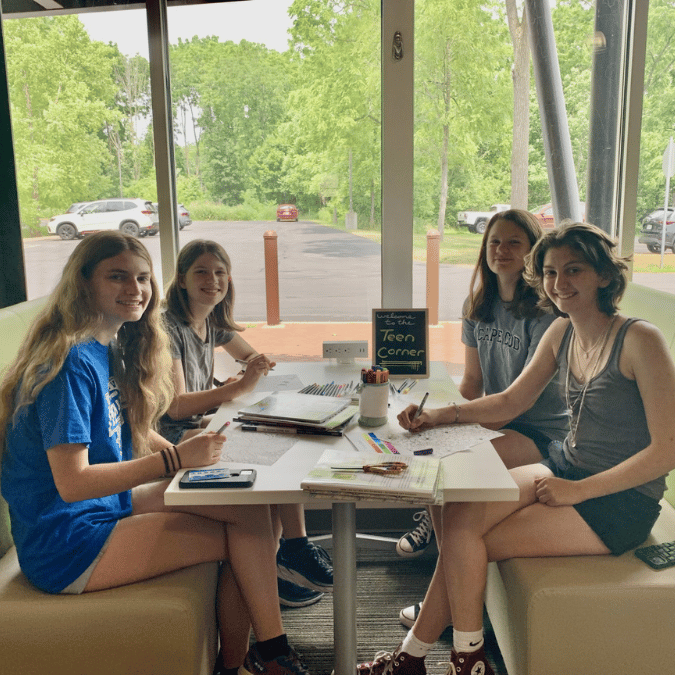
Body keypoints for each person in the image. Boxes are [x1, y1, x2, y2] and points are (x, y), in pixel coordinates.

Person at [361, 222, 675, 675]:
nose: (559, 284)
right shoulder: (561, 332)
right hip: (563, 468)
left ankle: (441, 659)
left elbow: (666, 452)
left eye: (574, 271)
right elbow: (511, 400)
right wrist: (440, 415)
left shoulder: (641, 341)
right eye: (550, 272)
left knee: (472, 542)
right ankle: (449, 658)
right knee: (460, 512)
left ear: (604, 276)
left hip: (619, 501)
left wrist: (580, 492)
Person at [0, 232, 310, 675]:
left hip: (102, 508)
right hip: (66, 543)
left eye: (143, 278)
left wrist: (188, 449)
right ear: (84, 283)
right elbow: (72, 484)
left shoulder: (104, 349)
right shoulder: (68, 365)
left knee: (253, 510)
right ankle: (266, 656)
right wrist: (176, 462)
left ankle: (249, 658)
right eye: (118, 277)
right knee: (248, 540)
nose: (136, 289)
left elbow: (137, 429)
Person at [396, 209, 568, 628]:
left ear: (533, 252)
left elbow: (516, 402)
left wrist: (448, 418)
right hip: (497, 418)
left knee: (454, 473)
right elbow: (471, 382)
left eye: (513, 243)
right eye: (494, 242)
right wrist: (427, 414)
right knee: (430, 455)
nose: (501, 250)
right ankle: (452, 595)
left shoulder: (546, 313)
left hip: (540, 429)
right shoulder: (477, 305)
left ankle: (444, 607)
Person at [159, 239, 333, 608]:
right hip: (174, 435)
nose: (213, 280)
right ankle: (290, 555)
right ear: (182, 280)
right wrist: (240, 385)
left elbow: (252, 355)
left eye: (220, 272)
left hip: (198, 423)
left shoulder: (210, 320)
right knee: (274, 450)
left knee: (283, 432)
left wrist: (253, 366)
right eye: (202, 272)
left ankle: (291, 553)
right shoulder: (167, 329)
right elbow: (175, 407)